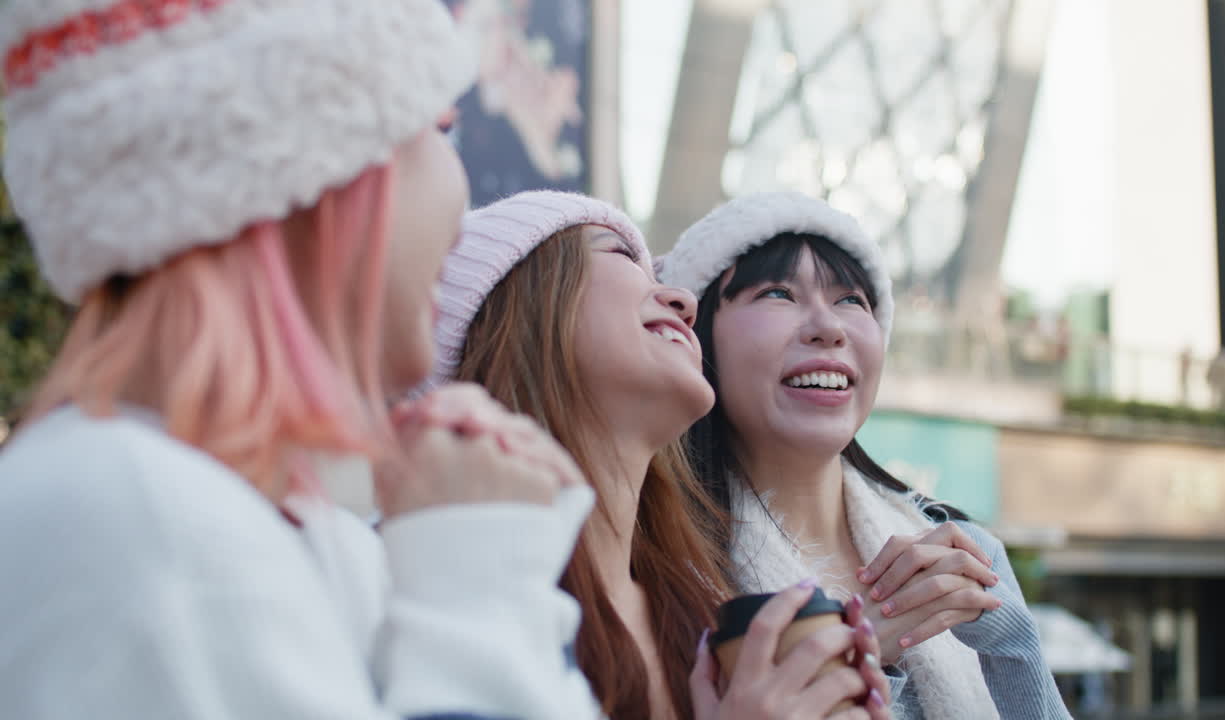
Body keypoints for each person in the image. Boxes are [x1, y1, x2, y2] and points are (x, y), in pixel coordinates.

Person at [0, 2, 596, 718]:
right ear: (310, 177)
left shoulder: (269, 526)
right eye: (438, 125)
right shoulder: (133, 518)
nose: (459, 186)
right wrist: (477, 578)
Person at [425, 190, 892, 720]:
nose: (682, 302)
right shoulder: (428, 591)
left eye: (851, 300)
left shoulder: (707, 617)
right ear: (521, 305)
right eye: (623, 257)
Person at [659, 192, 1072, 719]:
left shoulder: (967, 552)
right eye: (778, 293)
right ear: (700, 336)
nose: (827, 327)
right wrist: (852, 664)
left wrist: (1009, 640)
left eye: (851, 299)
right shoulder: (664, 570)